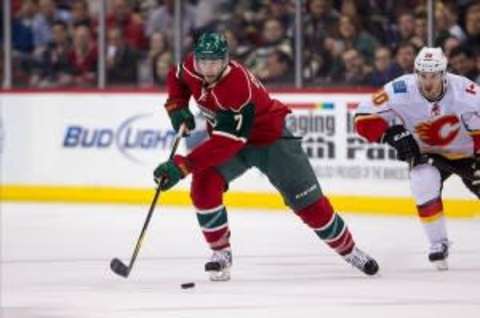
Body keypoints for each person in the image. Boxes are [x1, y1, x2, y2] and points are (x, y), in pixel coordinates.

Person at [153, 32, 379, 281]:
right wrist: (177, 106)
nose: (207, 69)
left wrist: (184, 165)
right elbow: (176, 77)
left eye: (214, 63)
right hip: (229, 139)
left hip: (270, 141)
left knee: (309, 204)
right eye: (203, 62)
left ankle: (350, 250)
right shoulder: (191, 66)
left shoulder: (237, 87)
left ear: (226, 61)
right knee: (204, 186)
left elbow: (226, 144)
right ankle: (220, 254)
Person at [354, 47, 480, 271]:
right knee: (422, 183)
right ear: (415, 73)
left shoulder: (467, 92)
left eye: (433, 76)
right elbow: (362, 118)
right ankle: (437, 243)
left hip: (467, 153)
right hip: (427, 152)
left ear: (444, 74)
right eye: (422, 75)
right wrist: (390, 135)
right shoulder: (400, 89)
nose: (427, 82)